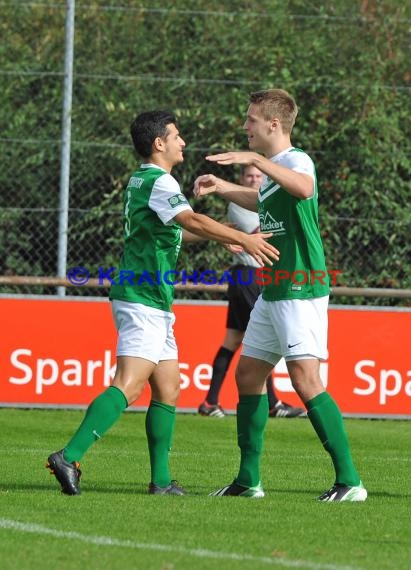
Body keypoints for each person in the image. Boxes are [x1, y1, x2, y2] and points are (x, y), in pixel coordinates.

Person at [46, 109, 279, 496]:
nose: (182, 141)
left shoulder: (144, 180)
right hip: (142, 298)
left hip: (151, 299)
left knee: (169, 388)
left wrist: (224, 236)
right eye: (177, 135)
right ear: (159, 143)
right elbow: (190, 221)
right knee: (129, 384)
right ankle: (69, 456)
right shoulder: (160, 182)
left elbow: (174, 232)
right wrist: (247, 239)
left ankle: (161, 481)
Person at [194, 89, 367, 502]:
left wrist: (255, 161)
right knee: (248, 374)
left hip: (300, 285)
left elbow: (304, 188)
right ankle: (248, 481)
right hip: (275, 288)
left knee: (306, 380)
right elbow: (263, 199)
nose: (245, 126)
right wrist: (222, 187)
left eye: (251, 119)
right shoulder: (274, 173)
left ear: (274, 124)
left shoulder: (295, 160)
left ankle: (350, 482)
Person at [198, 164, 305, 419]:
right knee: (263, 340)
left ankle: (210, 402)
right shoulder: (241, 204)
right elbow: (263, 235)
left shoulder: (261, 202)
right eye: (249, 176)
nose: (254, 179)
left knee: (233, 340)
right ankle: (272, 404)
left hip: (248, 277)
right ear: (242, 179)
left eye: (258, 176)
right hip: (248, 276)